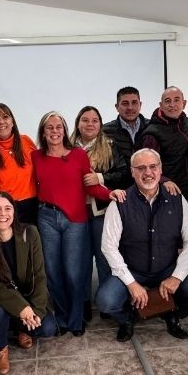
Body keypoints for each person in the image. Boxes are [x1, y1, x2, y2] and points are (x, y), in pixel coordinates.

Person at [96, 149, 188, 342]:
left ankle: (172, 313)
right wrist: (131, 284)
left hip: (167, 268)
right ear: (132, 172)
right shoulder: (120, 202)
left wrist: (176, 277)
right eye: (141, 168)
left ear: (160, 169)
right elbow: (109, 247)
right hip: (133, 269)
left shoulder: (177, 199)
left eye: (153, 167)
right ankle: (128, 318)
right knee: (105, 301)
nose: (148, 172)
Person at [32, 111, 125, 336]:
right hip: (46, 218)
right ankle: (62, 319)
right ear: (43, 132)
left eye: (58, 127)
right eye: (49, 127)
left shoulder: (78, 155)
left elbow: (90, 186)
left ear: (65, 130)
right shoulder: (35, 157)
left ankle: (76, 320)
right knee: (53, 272)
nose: (54, 131)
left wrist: (110, 193)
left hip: (75, 220)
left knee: (74, 272)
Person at [0, 192, 56, 375]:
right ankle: (1, 348)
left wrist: (36, 311)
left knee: (48, 327)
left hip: (26, 295)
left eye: (7, 208)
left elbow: (39, 275)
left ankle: (21, 328)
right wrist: (22, 309)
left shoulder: (30, 233)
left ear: (14, 212)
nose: (3, 214)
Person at [71, 106, 130, 319]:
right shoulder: (66, 147)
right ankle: (84, 302)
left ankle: (106, 302)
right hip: (75, 213)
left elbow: (125, 173)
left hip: (101, 212)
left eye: (95, 120)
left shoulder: (110, 145)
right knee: (81, 261)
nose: (90, 124)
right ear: (78, 123)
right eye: (85, 120)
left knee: (105, 258)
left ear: (100, 124)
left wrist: (101, 178)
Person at [0, 103, 38, 225]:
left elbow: (40, 171)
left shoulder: (26, 141)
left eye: (5, 117)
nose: (1, 122)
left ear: (12, 122)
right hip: (6, 211)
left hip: (34, 207)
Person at [141, 86, 188, 197]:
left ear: (184, 103)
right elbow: (147, 165)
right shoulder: (152, 133)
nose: (172, 105)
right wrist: (164, 180)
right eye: (167, 101)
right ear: (161, 105)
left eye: (176, 100)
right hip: (168, 192)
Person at [102, 86, 149, 164]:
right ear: (117, 107)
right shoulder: (105, 131)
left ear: (140, 105)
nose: (130, 107)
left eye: (134, 103)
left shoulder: (152, 127)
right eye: (125, 103)